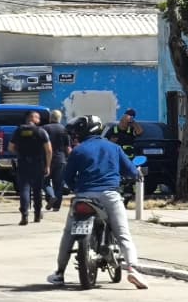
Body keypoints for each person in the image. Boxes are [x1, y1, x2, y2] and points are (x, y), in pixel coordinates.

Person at [47, 115, 149, 290]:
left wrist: (76, 189)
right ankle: (132, 268)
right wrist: (136, 174)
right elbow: (131, 171)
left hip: (83, 196)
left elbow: (68, 177)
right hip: (110, 195)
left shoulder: (78, 151)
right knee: (123, 233)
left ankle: (59, 273)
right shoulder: (114, 148)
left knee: (68, 235)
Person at [9, 111, 51, 226]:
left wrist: (20, 152)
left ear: (27, 119)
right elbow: (49, 150)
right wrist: (47, 165)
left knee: (24, 190)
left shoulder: (19, 131)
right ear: (35, 119)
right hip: (38, 163)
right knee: (37, 190)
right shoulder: (41, 131)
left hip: (23, 163)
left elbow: (11, 147)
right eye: (38, 118)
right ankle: (37, 215)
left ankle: (24, 215)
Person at [43, 109, 71, 212]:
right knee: (58, 184)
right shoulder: (64, 130)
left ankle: (50, 196)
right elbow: (68, 148)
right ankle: (56, 206)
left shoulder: (45, 128)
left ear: (51, 118)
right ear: (59, 118)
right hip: (60, 159)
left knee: (44, 181)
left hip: (46, 159)